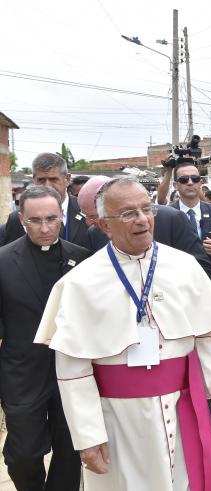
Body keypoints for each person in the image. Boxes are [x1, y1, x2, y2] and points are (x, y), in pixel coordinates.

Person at [34, 177, 211, 490]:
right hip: (119, 419)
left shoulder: (184, 266)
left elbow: (207, 334)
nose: (142, 219)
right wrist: (89, 437)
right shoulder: (79, 283)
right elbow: (73, 370)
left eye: (147, 209)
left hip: (184, 408)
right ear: (104, 225)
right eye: (128, 213)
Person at [0, 186, 90, 491]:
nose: (44, 227)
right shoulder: (2, 262)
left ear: (61, 216)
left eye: (51, 218)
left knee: (71, 450)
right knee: (22, 454)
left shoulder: (82, 260)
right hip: (22, 374)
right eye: (35, 220)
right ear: (21, 219)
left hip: (72, 372)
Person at [78, 175, 211, 280]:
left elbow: (203, 270)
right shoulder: (94, 233)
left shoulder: (171, 219)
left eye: (94, 216)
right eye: (89, 217)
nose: (91, 223)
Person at [3, 153, 90, 249]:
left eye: (53, 179)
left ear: (67, 179)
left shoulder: (88, 211)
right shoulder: (17, 219)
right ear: (34, 180)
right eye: (41, 180)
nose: (47, 185)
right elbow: (12, 256)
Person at [171, 162, 211, 265]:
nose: (190, 182)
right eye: (184, 179)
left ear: (200, 183)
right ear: (175, 185)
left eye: (195, 179)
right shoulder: (166, 215)